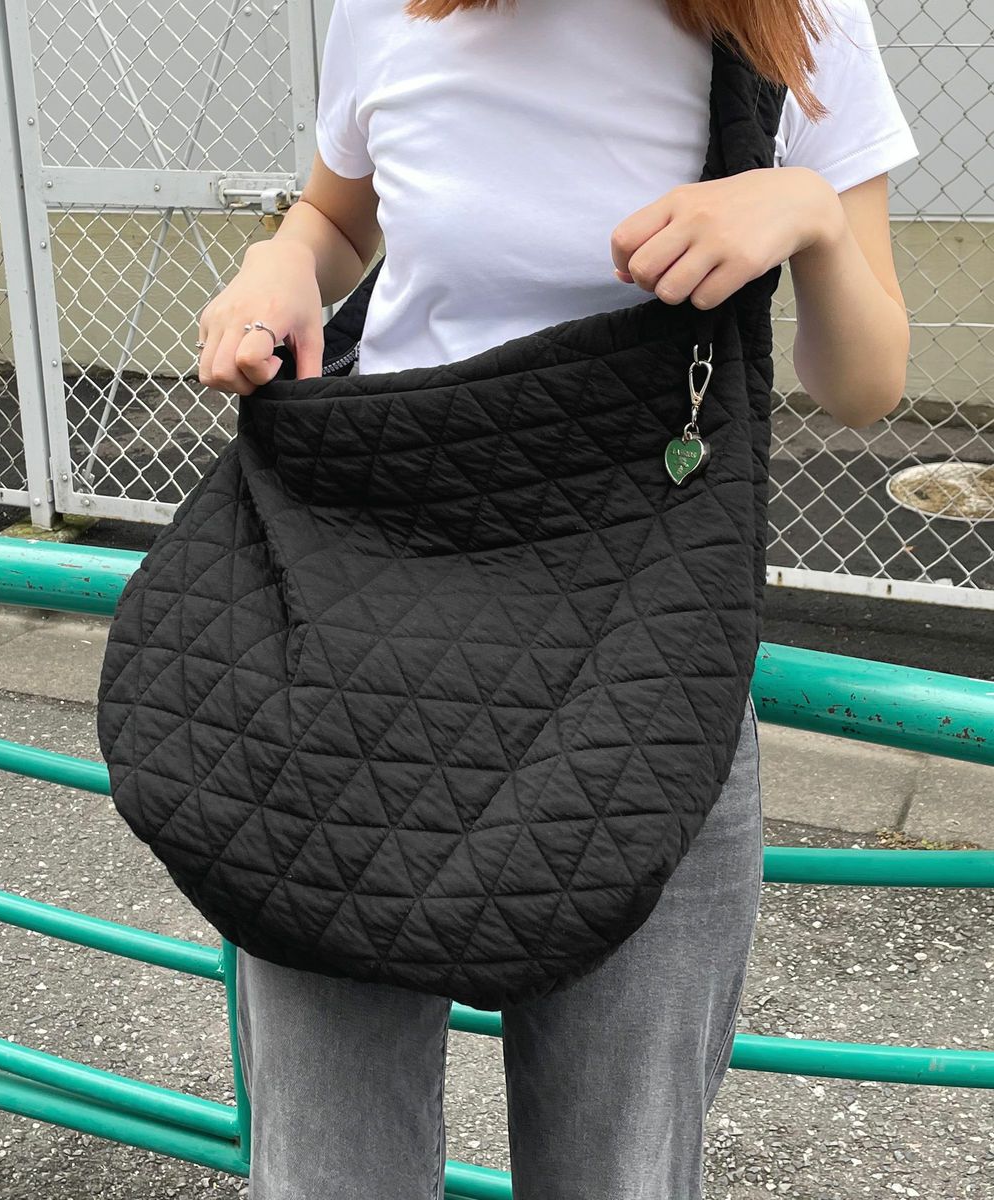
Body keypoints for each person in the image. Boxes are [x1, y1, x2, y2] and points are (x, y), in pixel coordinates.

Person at [196, 1, 917, 1195]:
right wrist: (279, 261)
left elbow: (866, 383)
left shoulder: (793, 18)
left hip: (647, 656)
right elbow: (336, 217)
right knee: (328, 1167)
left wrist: (805, 212)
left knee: (620, 1169)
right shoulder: (392, 6)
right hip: (360, 632)